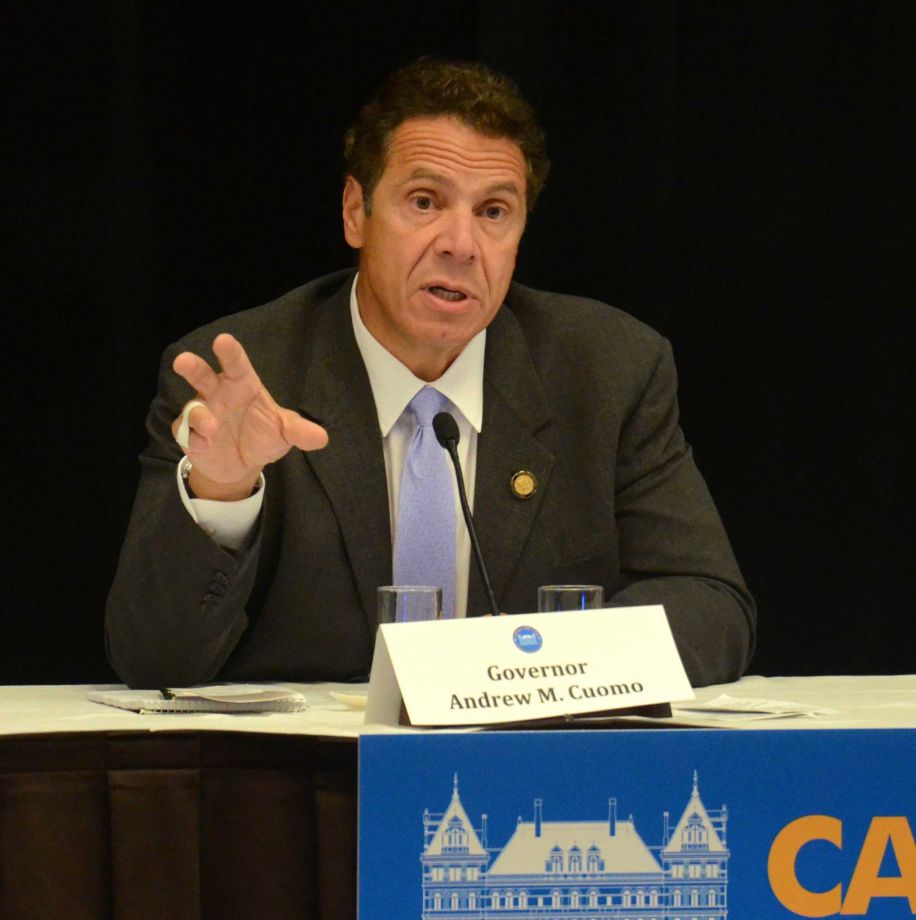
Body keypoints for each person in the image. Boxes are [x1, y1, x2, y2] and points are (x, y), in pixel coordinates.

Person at [106, 58, 755, 690]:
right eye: (425, 201)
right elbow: (155, 663)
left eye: (494, 212)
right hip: (308, 785)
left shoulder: (608, 370)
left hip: (521, 781)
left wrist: (522, 674)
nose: (461, 244)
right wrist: (221, 491)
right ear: (356, 212)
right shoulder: (242, 378)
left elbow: (712, 608)